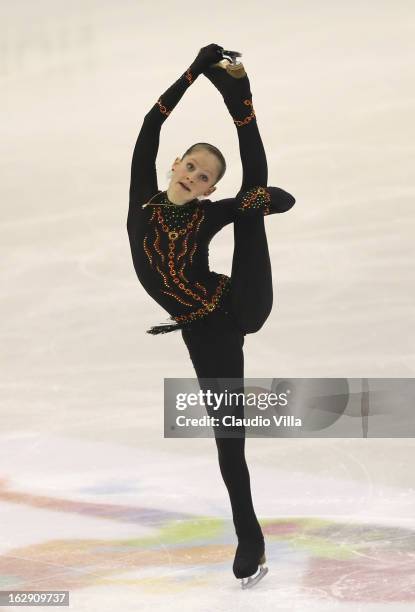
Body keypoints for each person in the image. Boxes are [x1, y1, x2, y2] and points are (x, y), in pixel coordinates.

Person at [127, 44, 295, 587]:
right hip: (205, 332)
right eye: (191, 166)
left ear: (207, 190)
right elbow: (151, 122)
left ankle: (243, 100)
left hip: (241, 302)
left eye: (203, 178)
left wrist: (261, 201)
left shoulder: (206, 215)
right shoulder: (141, 203)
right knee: (230, 437)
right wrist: (194, 72)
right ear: (174, 164)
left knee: (251, 210)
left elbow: (268, 195)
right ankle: (251, 536)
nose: (193, 176)